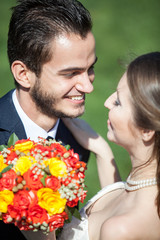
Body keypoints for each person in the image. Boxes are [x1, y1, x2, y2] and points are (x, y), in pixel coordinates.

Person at [0, 0, 97, 239]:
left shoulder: (77, 142)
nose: (87, 86)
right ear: (24, 74)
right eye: (71, 73)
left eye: (90, 69)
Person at [58, 52, 160, 240]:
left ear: (146, 129)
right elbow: (117, 196)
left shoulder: (120, 230)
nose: (107, 103)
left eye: (118, 102)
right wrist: (100, 148)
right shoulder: (144, 186)